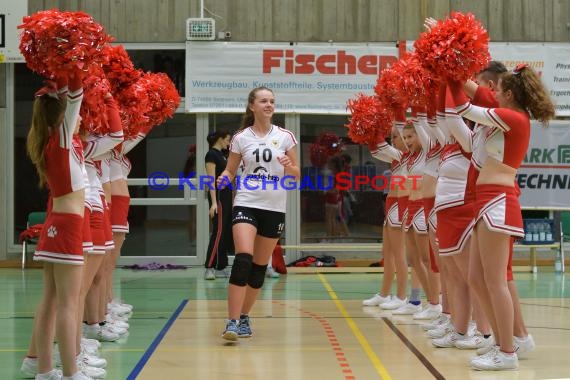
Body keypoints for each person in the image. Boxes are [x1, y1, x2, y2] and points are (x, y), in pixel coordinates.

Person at [448, 63, 555, 370]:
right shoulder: (507, 112)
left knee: (495, 280)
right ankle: (503, 342)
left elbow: (465, 108)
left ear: (508, 94)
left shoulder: (513, 117)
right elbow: (477, 91)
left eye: (498, 91)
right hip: (486, 200)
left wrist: (450, 79)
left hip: (499, 200)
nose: (492, 93)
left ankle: (507, 352)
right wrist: (449, 68)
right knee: (477, 278)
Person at [216, 87, 299, 341]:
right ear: (252, 106)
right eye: (264, 101)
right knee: (243, 258)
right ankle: (231, 322)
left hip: (274, 207)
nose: (269, 105)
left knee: (258, 269)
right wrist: (224, 177)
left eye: (272, 101)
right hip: (247, 202)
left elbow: (297, 175)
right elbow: (231, 170)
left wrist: (289, 166)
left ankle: (243, 316)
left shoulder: (285, 136)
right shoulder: (241, 137)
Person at [23, 69, 90, 380]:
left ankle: (44, 369)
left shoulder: (57, 144)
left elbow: (72, 99)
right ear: (61, 118)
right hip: (66, 228)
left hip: (57, 225)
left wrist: (61, 80)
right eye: (74, 116)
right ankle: (71, 374)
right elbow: (76, 96)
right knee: (67, 304)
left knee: (51, 300)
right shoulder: (59, 141)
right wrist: (73, 65)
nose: (80, 119)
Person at [204, 130, 234, 280]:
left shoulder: (223, 155)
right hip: (219, 198)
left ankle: (221, 267)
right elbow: (210, 181)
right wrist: (214, 203)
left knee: (225, 233)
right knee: (218, 232)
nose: (229, 143)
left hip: (227, 198)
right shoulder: (211, 155)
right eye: (227, 140)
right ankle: (209, 268)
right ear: (220, 139)